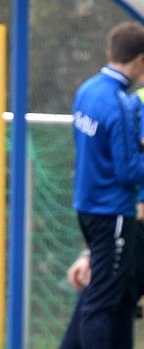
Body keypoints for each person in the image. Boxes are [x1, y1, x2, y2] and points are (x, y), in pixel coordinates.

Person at [61, 22, 144, 349]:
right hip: (114, 211)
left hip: (87, 203)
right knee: (102, 301)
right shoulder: (120, 103)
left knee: (116, 296)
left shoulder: (87, 90)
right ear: (139, 60)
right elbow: (128, 171)